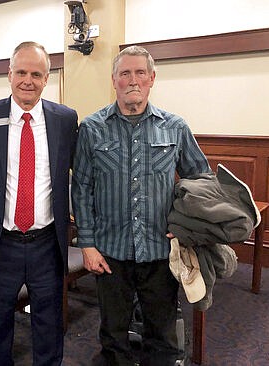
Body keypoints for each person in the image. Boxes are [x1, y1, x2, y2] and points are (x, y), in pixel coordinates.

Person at [71, 45, 211, 366]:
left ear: (152, 78)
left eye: (139, 73)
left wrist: (187, 228)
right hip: (109, 252)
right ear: (114, 80)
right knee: (113, 334)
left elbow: (200, 182)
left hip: (160, 251)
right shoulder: (92, 129)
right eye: (125, 73)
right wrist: (88, 245)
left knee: (162, 335)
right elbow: (81, 189)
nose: (132, 80)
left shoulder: (175, 127)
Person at [0, 41, 78, 366]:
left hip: (47, 243)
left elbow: (76, 173)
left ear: (47, 79)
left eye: (36, 74)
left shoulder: (64, 119)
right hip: (2, 244)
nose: (27, 80)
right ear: (9, 74)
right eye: (21, 72)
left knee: (48, 325)